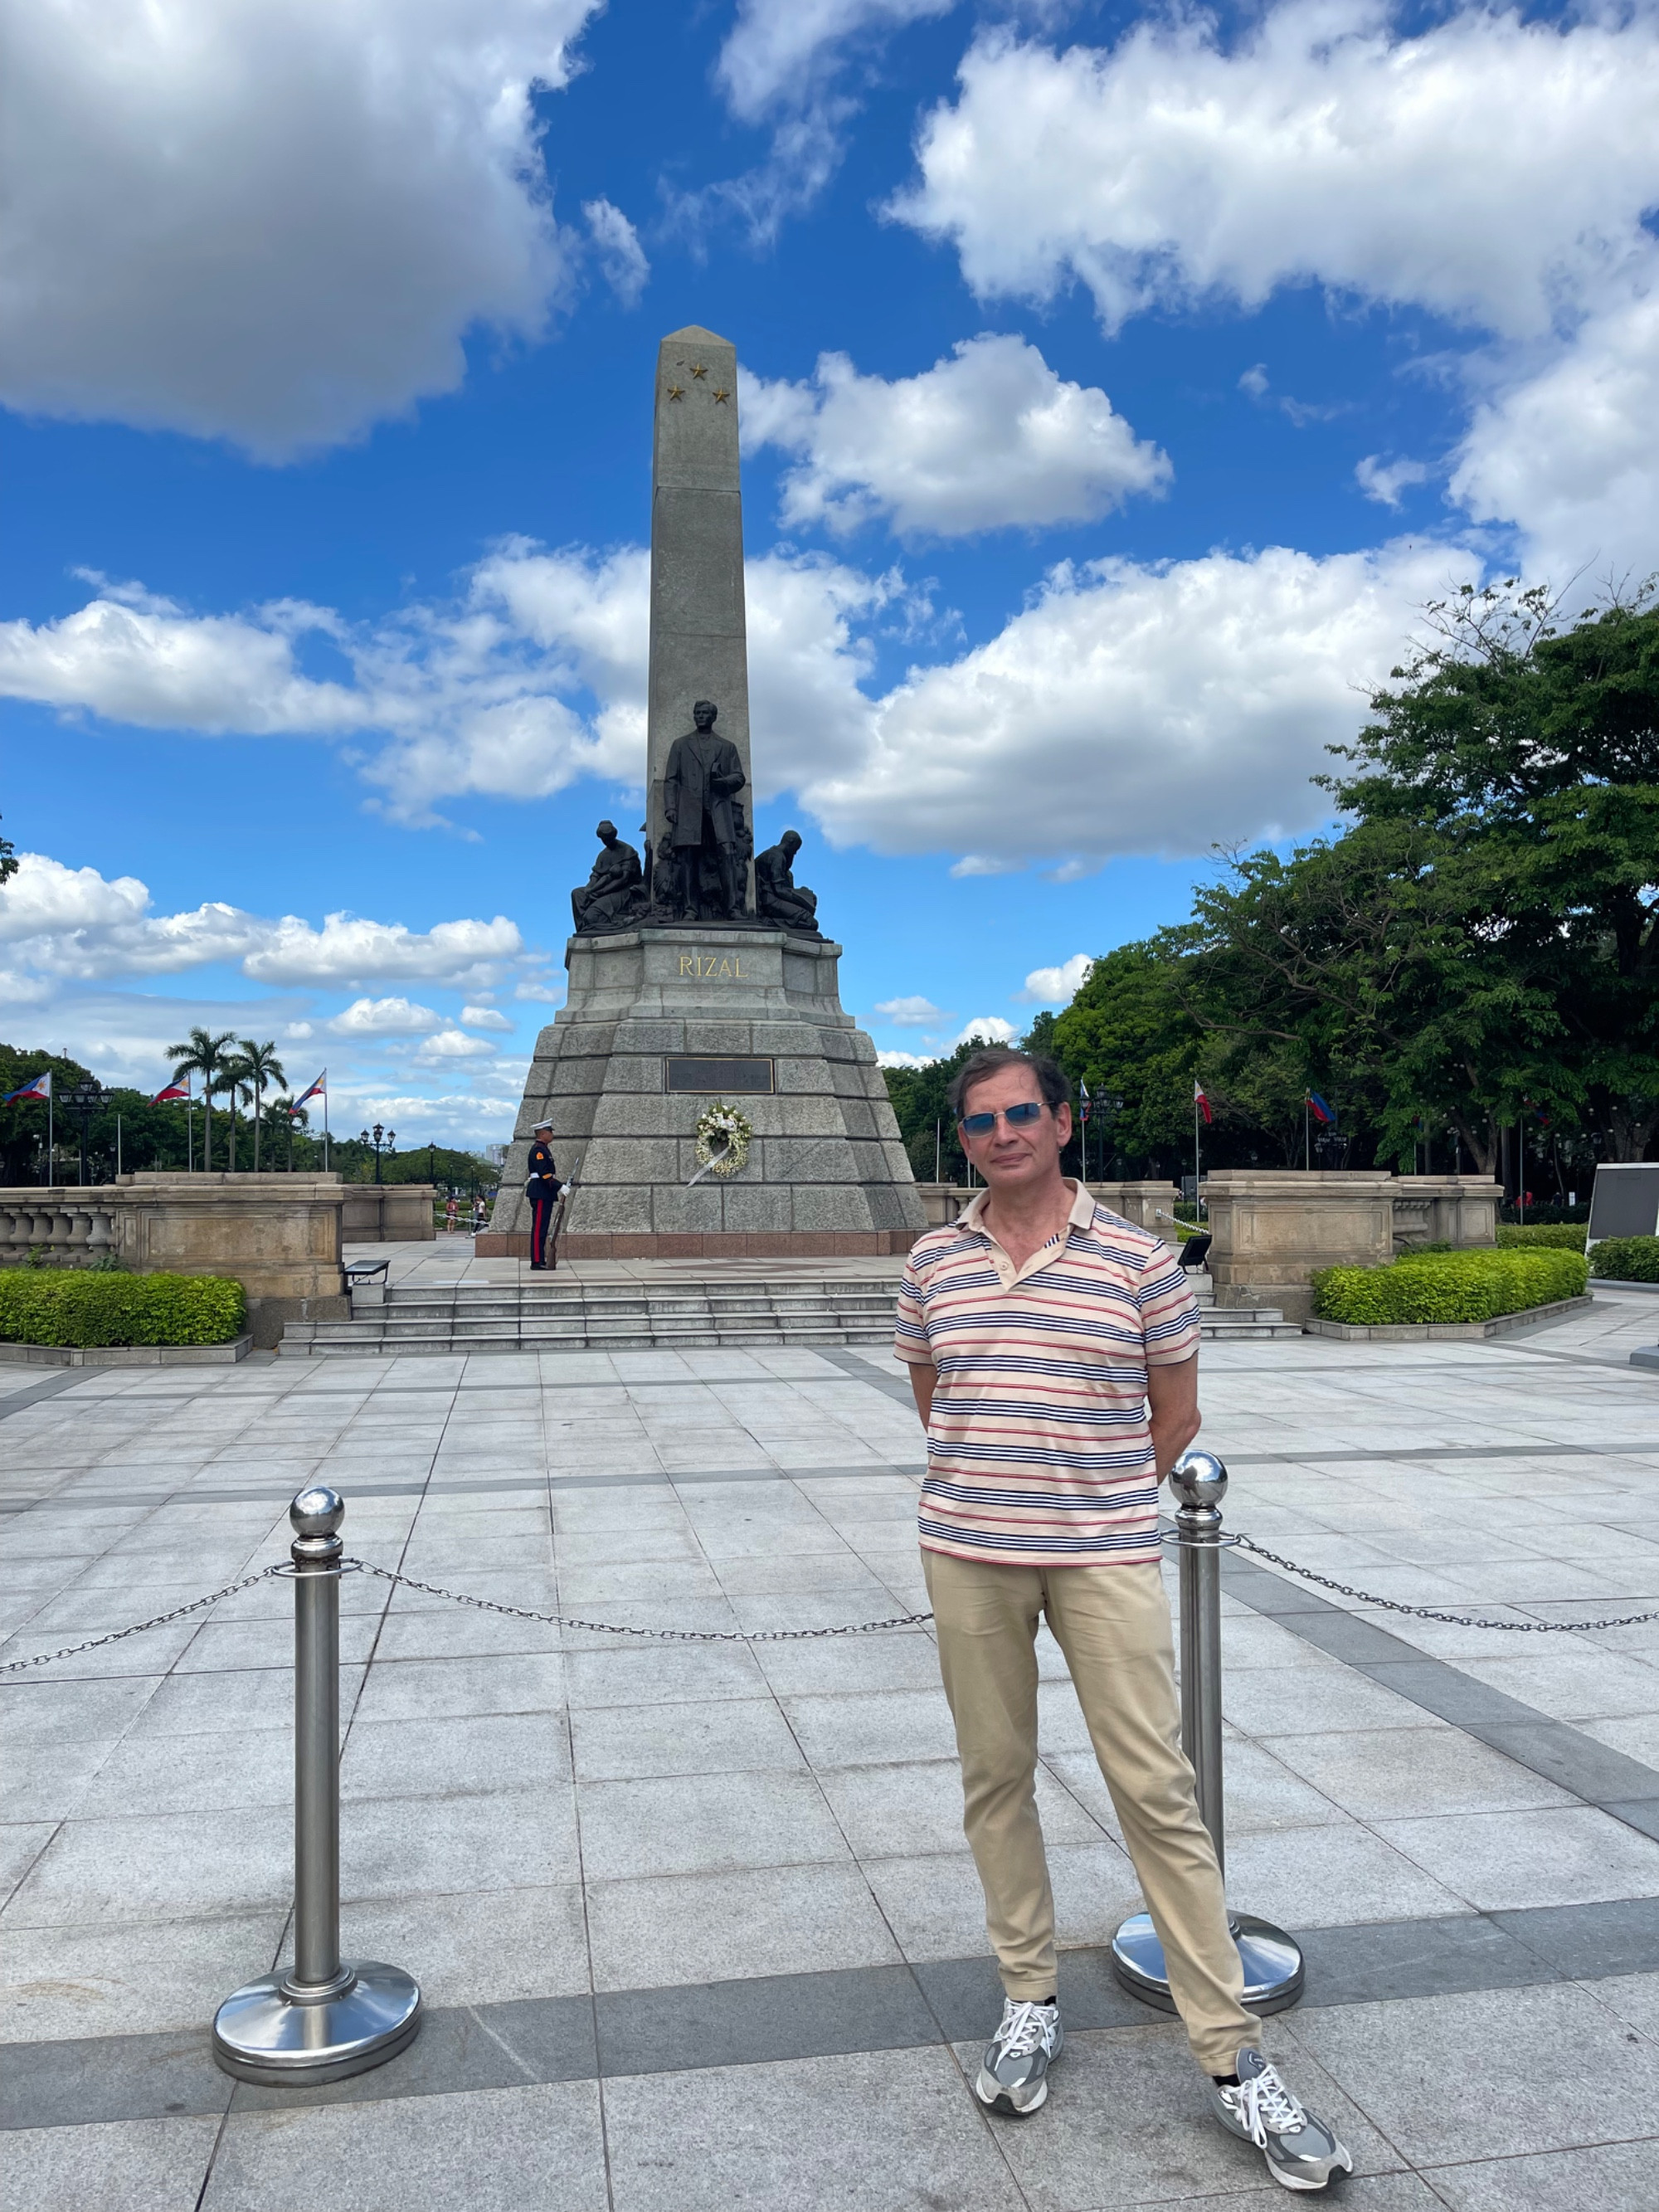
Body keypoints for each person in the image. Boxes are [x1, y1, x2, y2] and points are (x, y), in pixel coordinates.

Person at [894, 1045, 1350, 2193]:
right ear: (965, 1138)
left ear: (1060, 1124)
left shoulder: (1142, 1262)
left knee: (1156, 1789)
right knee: (993, 1776)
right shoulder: (931, 1260)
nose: (1002, 1133)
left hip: (1100, 1558)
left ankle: (1231, 2054)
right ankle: (1028, 1996)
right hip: (969, 1554)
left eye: (1021, 1113)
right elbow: (932, 1396)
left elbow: (1177, 1409)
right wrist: (999, 1478)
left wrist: (1090, 1495)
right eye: (980, 1120)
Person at [661, 699, 746, 920]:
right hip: (689, 809)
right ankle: (690, 909)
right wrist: (670, 807)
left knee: (727, 855)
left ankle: (733, 908)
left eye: (705, 713)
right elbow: (670, 779)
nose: (700, 716)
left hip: (718, 808)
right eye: (697, 712)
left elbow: (739, 777)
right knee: (688, 858)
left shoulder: (726, 747)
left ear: (713, 717)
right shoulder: (680, 745)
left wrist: (723, 782)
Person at [525, 1123, 562, 1271]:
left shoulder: (544, 1149)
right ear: (542, 1134)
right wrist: (560, 1186)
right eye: (549, 1132)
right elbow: (544, 1173)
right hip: (540, 1191)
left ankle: (541, 1258)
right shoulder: (538, 1150)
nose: (552, 1134)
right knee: (539, 1228)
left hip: (545, 1191)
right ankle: (536, 1261)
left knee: (543, 1228)